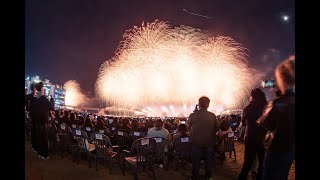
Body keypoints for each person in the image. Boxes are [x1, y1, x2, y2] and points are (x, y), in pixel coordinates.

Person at [257, 57, 295, 180]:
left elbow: (263, 123)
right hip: (290, 150)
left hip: (276, 149)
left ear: (281, 80)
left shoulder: (276, 103)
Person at [238, 88, 267, 180]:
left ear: (252, 97)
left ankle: (242, 177)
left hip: (250, 137)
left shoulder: (247, 108)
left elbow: (243, 122)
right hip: (262, 138)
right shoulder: (266, 108)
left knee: (248, 161)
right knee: (262, 161)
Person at [189, 96, 219, 180]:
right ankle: (208, 176)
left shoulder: (192, 115)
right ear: (208, 105)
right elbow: (217, 128)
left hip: (196, 143)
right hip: (209, 142)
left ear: (198, 104)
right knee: (208, 161)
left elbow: (189, 126)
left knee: (196, 162)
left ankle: (195, 177)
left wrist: (195, 112)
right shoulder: (212, 116)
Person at [33, 82, 54, 160]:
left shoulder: (36, 98)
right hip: (43, 122)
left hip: (37, 121)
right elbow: (51, 107)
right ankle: (44, 155)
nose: (44, 88)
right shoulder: (43, 98)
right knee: (44, 139)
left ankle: (39, 153)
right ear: (41, 88)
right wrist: (51, 100)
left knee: (39, 137)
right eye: (43, 87)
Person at [26, 83, 38, 153]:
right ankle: (34, 146)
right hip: (33, 117)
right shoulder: (32, 97)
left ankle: (33, 145)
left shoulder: (29, 96)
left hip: (31, 116)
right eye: (35, 88)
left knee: (33, 131)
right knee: (34, 131)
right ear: (34, 89)